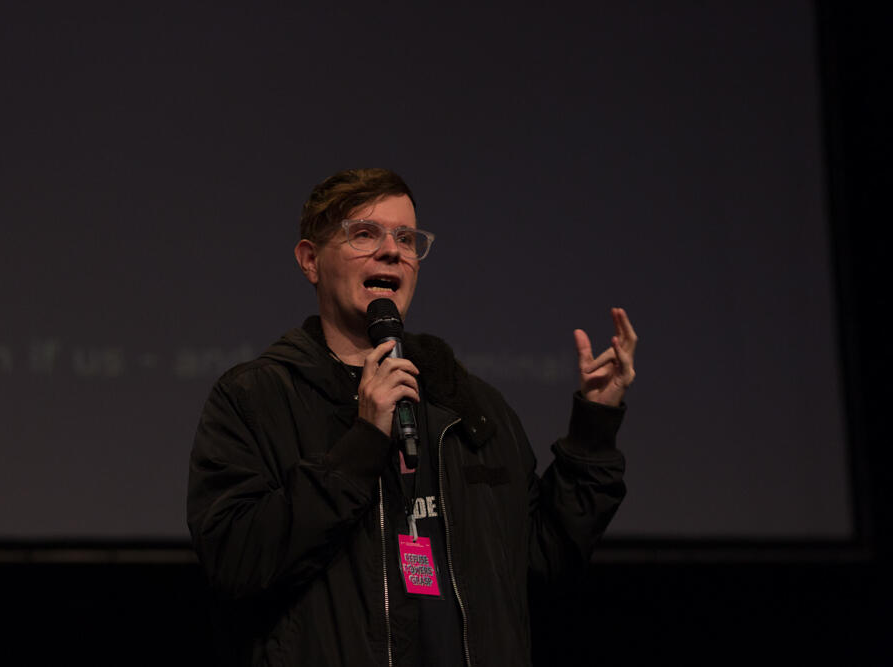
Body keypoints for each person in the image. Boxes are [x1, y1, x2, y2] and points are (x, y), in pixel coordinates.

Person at [187, 168, 635, 666]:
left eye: (406, 237)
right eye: (364, 234)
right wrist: (359, 447)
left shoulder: (469, 405)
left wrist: (594, 427)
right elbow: (236, 560)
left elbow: (541, 563)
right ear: (311, 260)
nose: (391, 250)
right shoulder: (257, 398)